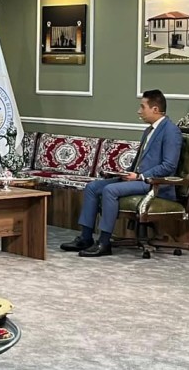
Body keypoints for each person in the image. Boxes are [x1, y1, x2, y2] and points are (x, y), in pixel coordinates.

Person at [61, 89, 181, 257]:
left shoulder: (171, 131)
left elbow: (169, 165)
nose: (139, 111)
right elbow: (141, 161)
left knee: (110, 190)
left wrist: (140, 176)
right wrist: (125, 173)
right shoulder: (149, 130)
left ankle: (104, 242)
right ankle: (85, 238)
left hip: (154, 184)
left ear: (155, 109)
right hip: (137, 178)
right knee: (92, 187)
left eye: (142, 107)